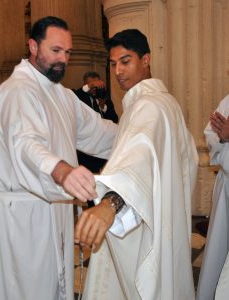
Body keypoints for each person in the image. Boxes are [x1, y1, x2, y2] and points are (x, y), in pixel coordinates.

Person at [0, 16, 117, 300]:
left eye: (67, 52)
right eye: (55, 50)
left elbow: (99, 132)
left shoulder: (62, 96)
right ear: (33, 46)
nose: (63, 59)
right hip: (21, 220)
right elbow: (25, 144)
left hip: (53, 210)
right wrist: (63, 171)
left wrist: (137, 135)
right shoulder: (15, 91)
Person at [75, 29, 198, 300]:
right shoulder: (165, 103)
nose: (118, 70)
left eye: (126, 61)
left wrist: (109, 204)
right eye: (114, 63)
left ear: (146, 60)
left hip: (144, 228)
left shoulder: (148, 106)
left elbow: (139, 157)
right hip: (165, 224)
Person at [196, 94, 229, 300]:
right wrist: (223, 137)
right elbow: (211, 134)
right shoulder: (228, 101)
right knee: (220, 248)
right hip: (226, 186)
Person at [74, 71, 118, 174]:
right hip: (87, 152)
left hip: (104, 150)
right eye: (92, 86)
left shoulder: (104, 98)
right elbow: (74, 95)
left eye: (96, 86)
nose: (94, 89)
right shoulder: (80, 97)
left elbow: (114, 120)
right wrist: (89, 86)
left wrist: (103, 106)